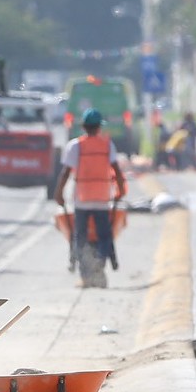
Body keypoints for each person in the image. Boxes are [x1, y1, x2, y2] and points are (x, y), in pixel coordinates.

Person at [53, 108, 126, 287]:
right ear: (99, 128)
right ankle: (99, 266)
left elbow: (65, 173)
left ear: (84, 127)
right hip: (102, 198)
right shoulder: (108, 146)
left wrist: (58, 193)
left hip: (82, 198)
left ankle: (86, 272)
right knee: (104, 236)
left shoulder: (75, 146)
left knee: (81, 236)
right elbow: (116, 170)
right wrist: (120, 191)